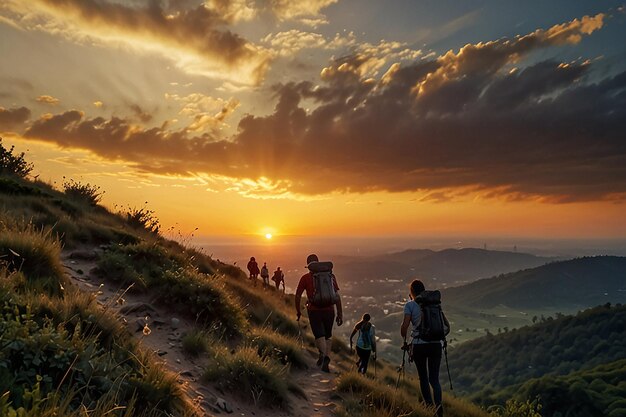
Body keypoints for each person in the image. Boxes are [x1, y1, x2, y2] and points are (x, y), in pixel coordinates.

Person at [401, 279, 448, 417]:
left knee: (423, 378)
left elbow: (405, 327)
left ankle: (429, 407)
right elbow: (445, 326)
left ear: (412, 292)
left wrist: (404, 337)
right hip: (435, 345)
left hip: (419, 345)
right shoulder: (434, 304)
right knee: (435, 379)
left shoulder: (410, 305)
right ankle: (438, 406)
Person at [295, 254, 343, 373]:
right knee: (328, 335)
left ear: (309, 266)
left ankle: (323, 354)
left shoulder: (305, 278)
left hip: (314, 310)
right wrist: (340, 313)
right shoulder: (330, 276)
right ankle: (326, 356)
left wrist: (298, 311)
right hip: (330, 310)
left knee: (319, 335)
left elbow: (297, 295)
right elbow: (336, 296)